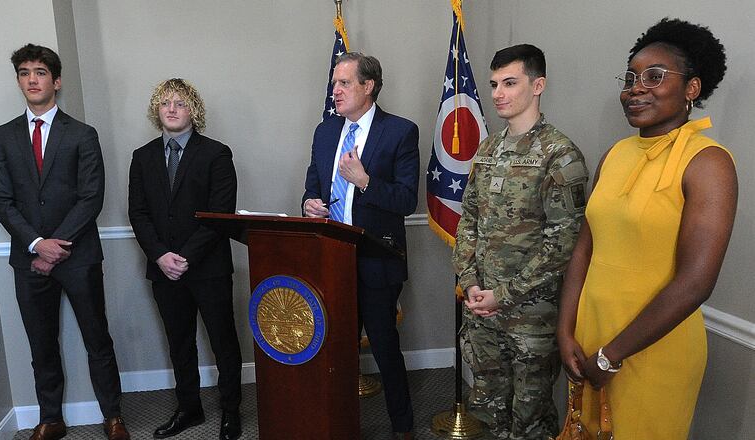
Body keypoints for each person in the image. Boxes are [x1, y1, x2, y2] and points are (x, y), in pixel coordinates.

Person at [556, 18, 737, 439]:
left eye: (654, 76)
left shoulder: (708, 162)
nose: (635, 89)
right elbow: (585, 249)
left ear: (692, 88)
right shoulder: (615, 154)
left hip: (652, 346)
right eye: (630, 78)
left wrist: (612, 355)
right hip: (591, 335)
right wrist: (566, 331)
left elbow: (696, 282)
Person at [0, 44, 129, 440]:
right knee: (42, 345)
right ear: (19, 81)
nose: (32, 79)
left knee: (97, 339)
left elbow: (91, 197)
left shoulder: (82, 134)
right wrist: (36, 243)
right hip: (28, 259)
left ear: (57, 81)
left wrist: (56, 245)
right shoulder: (2, 137)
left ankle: (113, 417)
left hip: (79, 256)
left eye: (40, 72)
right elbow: (0, 199)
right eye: (24, 73)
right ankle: (50, 419)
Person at [453, 44, 588, 439]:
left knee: (530, 420)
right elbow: (469, 219)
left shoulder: (560, 155)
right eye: (494, 84)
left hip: (531, 318)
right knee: (490, 412)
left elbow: (562, 243)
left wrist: (504, 294)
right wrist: (471, 282)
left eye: (510, 83)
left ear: (538, 85)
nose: (498, 93)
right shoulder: (488, 148)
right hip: (482, 311)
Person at [302, 52, 420, 440]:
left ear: (368, 86)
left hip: (376, 260)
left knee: (385, 347)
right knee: (335, 351)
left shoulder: (400, 131)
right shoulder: (325, 132)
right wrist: (309, 202)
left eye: (344, 83)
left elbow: (406, 201)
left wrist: (364, 180)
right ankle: (337, 426)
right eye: (334, 83)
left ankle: (403, 427)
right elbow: (313, 182)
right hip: (331, 258)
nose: (334, 90)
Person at [128, 78, 242, 440]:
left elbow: (220, 214)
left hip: (208, 267)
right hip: (164, 270)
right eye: (165, 103)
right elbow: (138, 213)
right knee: (179, 343)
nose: (172, 109)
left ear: (194, 111)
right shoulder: (142, 157)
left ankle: (231, 411)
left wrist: (185, 256)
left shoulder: (216, 154)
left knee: (223, 342)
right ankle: (189, 408)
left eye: (180, 103)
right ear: (157, 110)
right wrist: (161, 256)